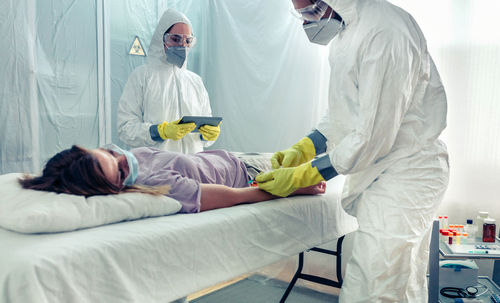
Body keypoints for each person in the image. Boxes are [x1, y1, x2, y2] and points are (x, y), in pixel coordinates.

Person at [256, 0, 449, 302]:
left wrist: (305, 174)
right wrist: (305, 147)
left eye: (311, 11)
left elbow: (372, 135)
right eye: (301, 14)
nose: (308, 22)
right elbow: (344, 113)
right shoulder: (346, 35)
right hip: (383, 170)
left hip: (407, 170)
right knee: (388, 279)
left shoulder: (384, 31)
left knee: (380, 281)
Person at [19, 144, 326, 213]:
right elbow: (238, 196)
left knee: (302, 148)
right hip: (251, 174)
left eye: (109, 152)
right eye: (120, 170)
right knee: (322, 160)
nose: (122, 158)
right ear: (114, 187)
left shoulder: (119, 161)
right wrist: (294, 188)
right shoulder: (155, 187)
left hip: (233, 155)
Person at [117, 8, 220, 154]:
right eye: (175, 39)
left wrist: (209, 135)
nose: (182, 45)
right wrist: (159, 131)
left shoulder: (195, 81)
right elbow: (125, 128)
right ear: (161, 38)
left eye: (187, 40)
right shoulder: (142, 76)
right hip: (156, 168)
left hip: (193, 166)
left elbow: (206, 134)